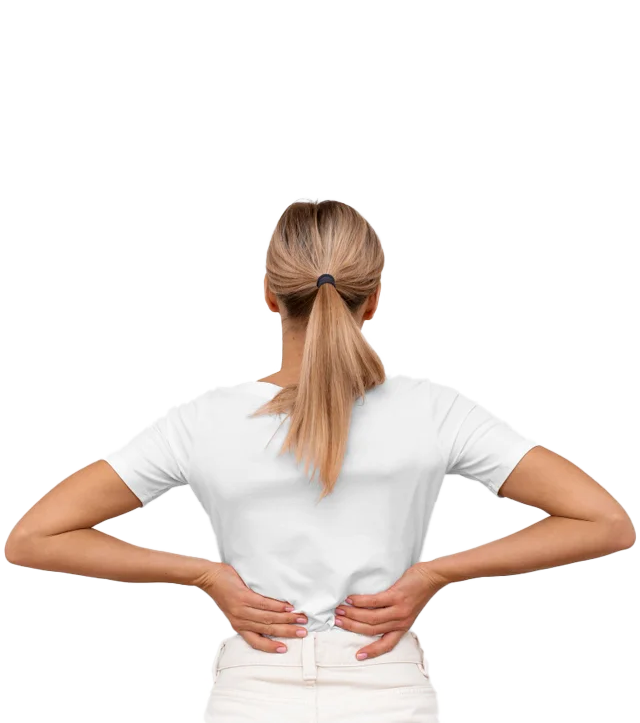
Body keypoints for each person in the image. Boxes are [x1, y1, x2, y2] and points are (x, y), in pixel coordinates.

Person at [5, 197, 636, 723]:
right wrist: (434, 575)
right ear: (374, 299)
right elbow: (605, 522)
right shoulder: (436, 410)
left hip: (253, 687)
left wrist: (206, 576)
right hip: (387, 683)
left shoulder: (200, 421)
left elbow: (33, 537)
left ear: (270, 294)